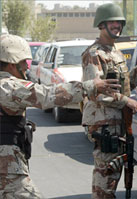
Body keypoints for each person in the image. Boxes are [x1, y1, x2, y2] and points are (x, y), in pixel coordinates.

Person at [0, 34, 120, 199]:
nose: (27, 68)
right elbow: (47, 95)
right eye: (24, 62)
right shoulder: (8, 87)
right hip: (6, 167)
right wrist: (90, 86)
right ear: (12, 63)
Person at [81, 3, 137, 199]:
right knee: (104, 184)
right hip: (105, 127)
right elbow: (97, 92)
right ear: (101, 24)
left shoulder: (114, 52)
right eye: (112, 22)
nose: (117, 26)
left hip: (119, 126)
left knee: (113, 179)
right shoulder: (94, 54)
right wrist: (126, 101)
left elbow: (123, 87)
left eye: (119, 22)